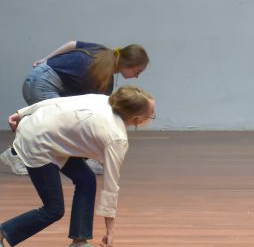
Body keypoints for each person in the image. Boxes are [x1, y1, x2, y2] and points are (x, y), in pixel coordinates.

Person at [0, 85, 156, 247]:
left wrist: (22, 112)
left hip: (44, 133)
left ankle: (79, 245)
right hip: (37, 142)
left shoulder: (104, 100)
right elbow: (111, 186)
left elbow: (56, 102)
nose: (152, 116)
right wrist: (110, 232)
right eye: (151, 114)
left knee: (86, 180)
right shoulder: (117, 138)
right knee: (53, 209)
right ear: (136, 119)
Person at [1, 41, 149, 176]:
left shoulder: (102, 52)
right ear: (127, 64)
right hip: (41, 83)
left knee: (69, 122)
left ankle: (84, 159)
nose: (137, 77)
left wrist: (47, 59)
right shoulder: (103, 76)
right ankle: (15, 154)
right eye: (138, 72)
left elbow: (73, 44)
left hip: (41, 78)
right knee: (65, 123)